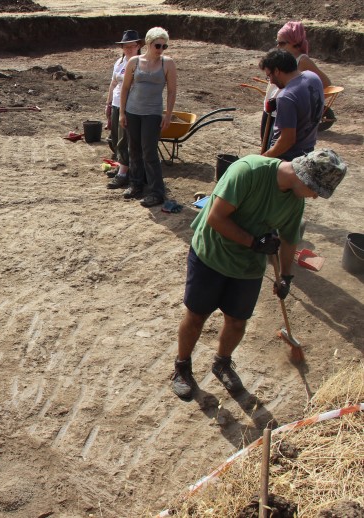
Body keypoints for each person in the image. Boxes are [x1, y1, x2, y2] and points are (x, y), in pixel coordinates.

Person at [171, 149, 347, 400]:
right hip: (212, 253)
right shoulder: (249, 172)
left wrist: (286, 276)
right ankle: (182, 367)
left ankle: (222, 363)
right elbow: (215, 218)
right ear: (304, 178)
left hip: (247, 266)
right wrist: (254, 242)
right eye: (316, 191)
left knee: (237, 320)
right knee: (197, 315)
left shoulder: (295, 201)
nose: (316, 197)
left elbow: (289, 239)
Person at [119, 26, 177, 208]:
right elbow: (125, 88)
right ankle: (136, 184)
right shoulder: (134, 62)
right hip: (133, 111)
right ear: (149, 43)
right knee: (134, 148)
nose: (161, 50)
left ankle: (157, 192)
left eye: (164, 46)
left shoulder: (167, 64)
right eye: (158, 46)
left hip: (152, 113)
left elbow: (172, 91)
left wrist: (167, 114)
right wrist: (121, 112)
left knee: (149, 152)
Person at [261, 21, 331, 143]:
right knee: (265, 143)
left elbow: (326, 83)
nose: (278, 47)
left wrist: (305, 104)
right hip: (270, 109)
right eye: (277, 43)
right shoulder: (281, 58)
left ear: (295, 43)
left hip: (284, 113)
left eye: (282, 43)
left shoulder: (302, 61)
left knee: (276, 148)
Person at [260, 49, 324, 161]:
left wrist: (264, 158)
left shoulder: (286, 97)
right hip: (308, 150)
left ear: (276, 71)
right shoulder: (313, 77)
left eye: (269, 76)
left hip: (287, 157)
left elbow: (287, 140)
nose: (271, 81)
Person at [105, 30, 142, 188]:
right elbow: (113, 83)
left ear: (138, 46)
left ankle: (123, 173)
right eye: (125, 47)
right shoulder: (119, 62)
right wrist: (108, 104)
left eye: (131, 46)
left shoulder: (140, 63)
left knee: (123, 139)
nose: (128, 50)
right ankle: (121, 165)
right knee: (115, 137)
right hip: (116, 103)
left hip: (129, 105)